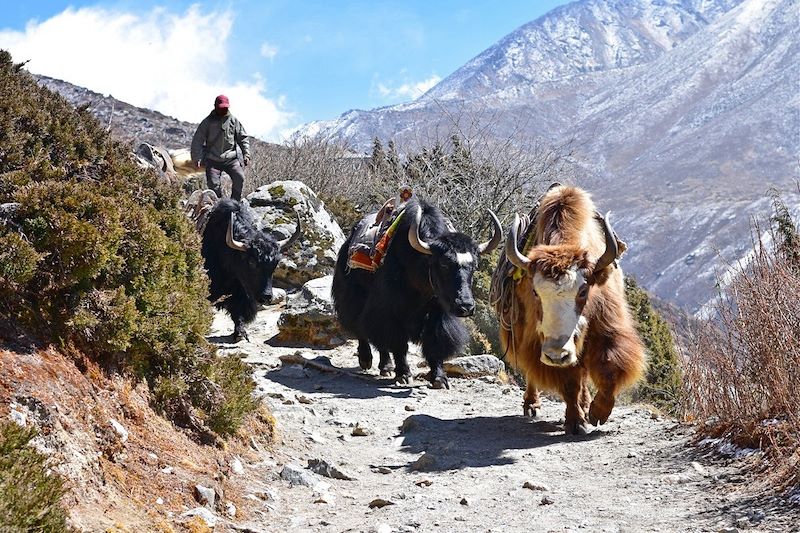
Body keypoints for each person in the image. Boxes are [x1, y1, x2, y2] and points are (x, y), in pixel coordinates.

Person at [191, 94, 251, 201]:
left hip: (231, 159)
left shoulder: (234, 121)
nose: (223, 110)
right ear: (215, 107)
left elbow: (243, 138)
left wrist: (246, 155)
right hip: (213, 160)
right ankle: (218, 205)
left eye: (225, 108)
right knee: (213, 186)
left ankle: (234, 204)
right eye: (221, 108)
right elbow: (197, 140)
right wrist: (196, 158)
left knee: (239, 177)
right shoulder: (207, 122)